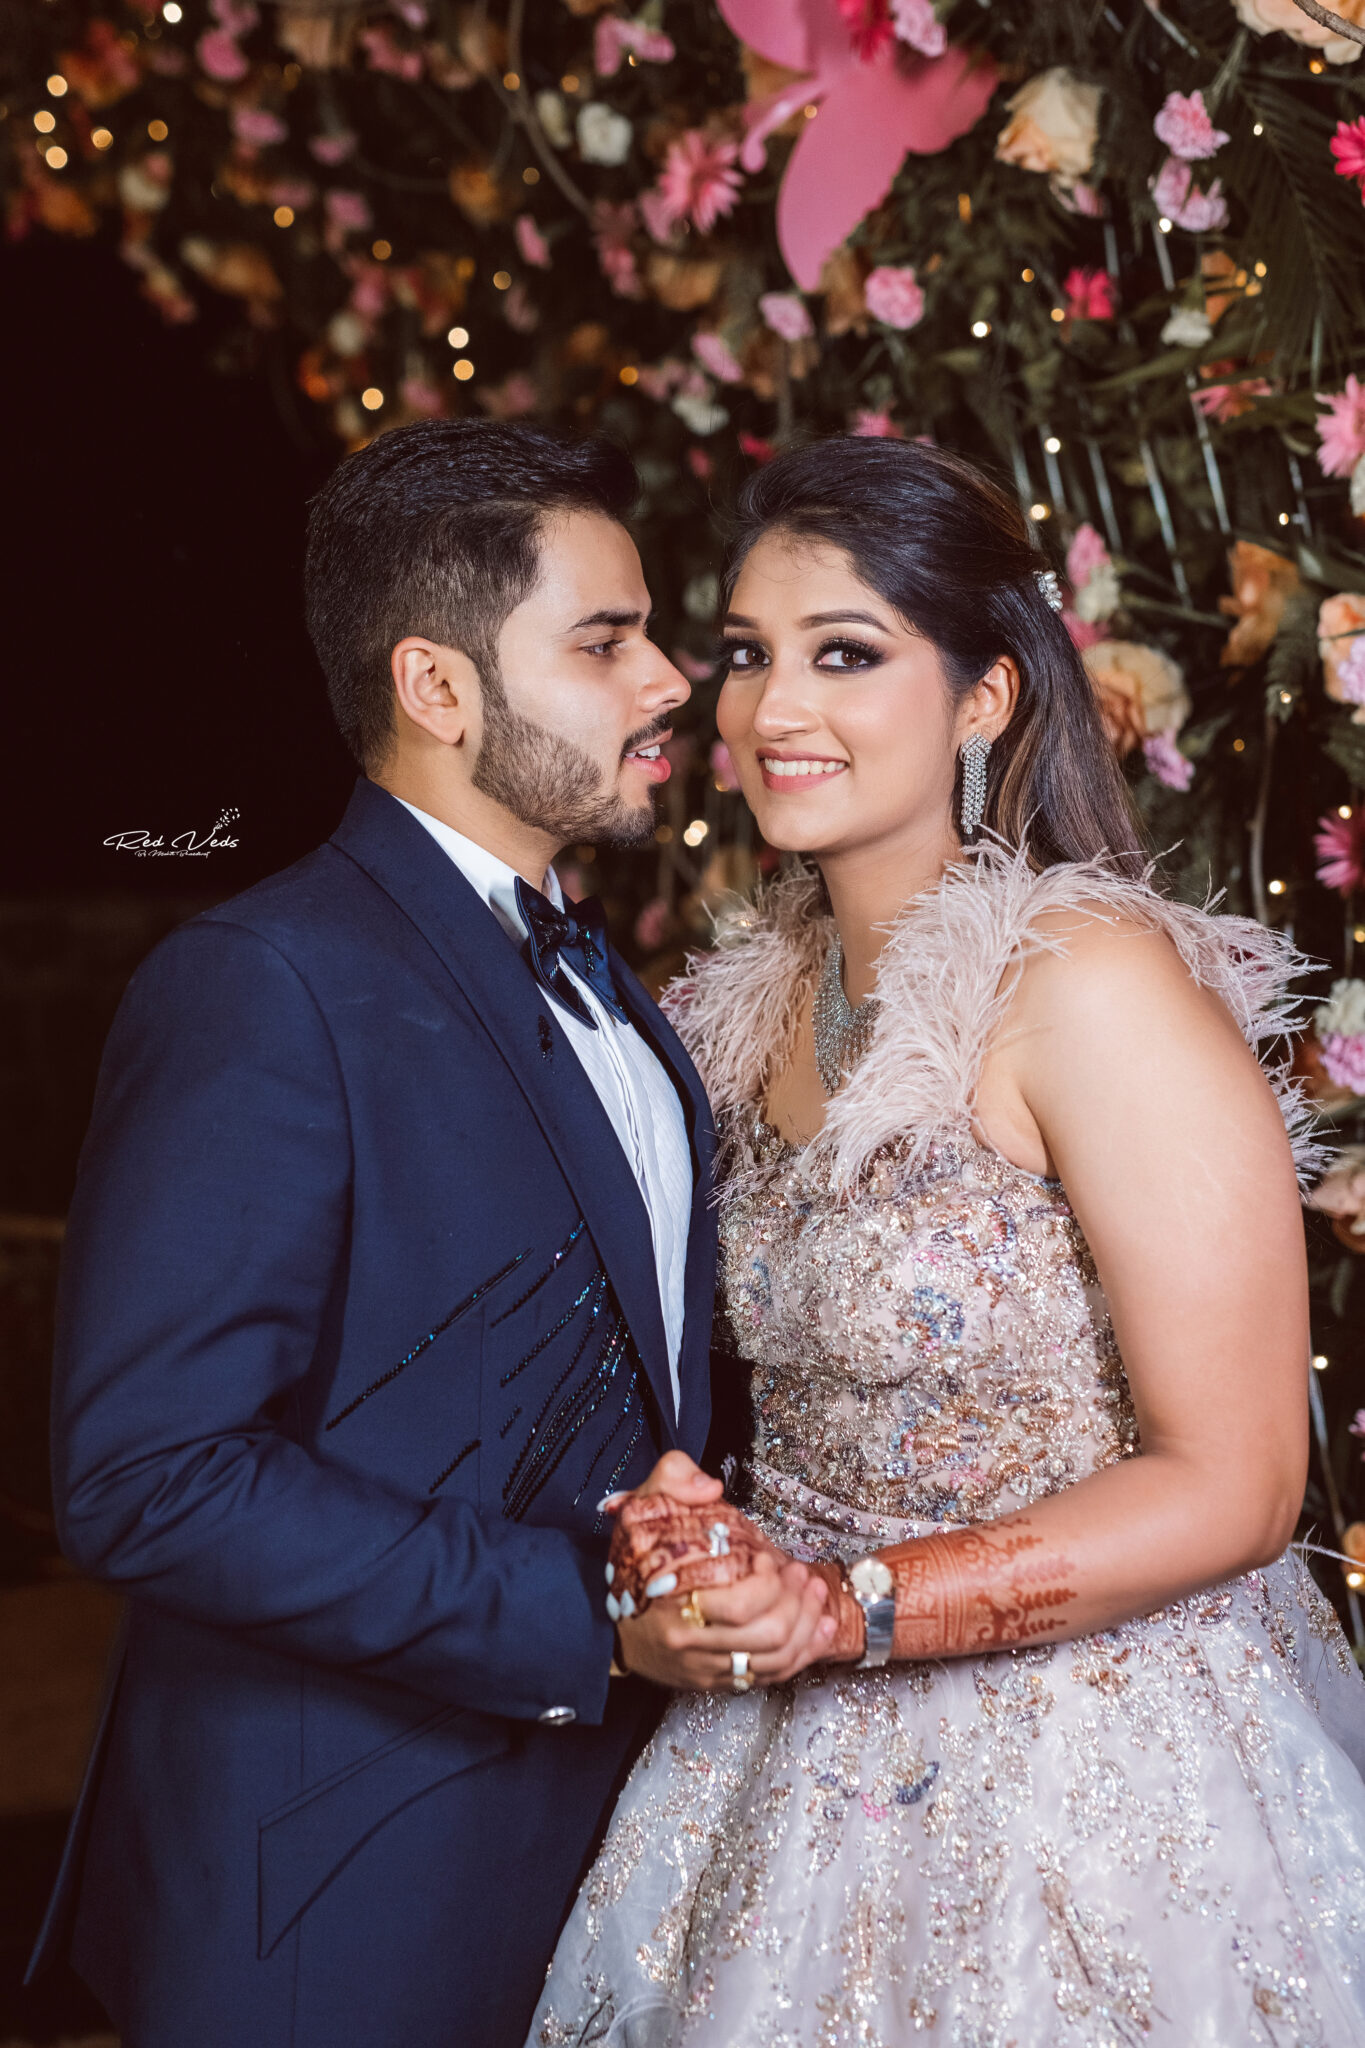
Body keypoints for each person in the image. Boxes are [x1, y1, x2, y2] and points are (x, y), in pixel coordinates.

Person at [530, 436, 1365, 2047]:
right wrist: (684, 1518)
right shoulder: (732, 1013)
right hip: (782, 1759)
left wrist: (852, 1606)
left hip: (1102, 1766)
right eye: (749, 656)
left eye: (845, 655)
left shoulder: (1088, 986)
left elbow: (1245, 1480)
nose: (774, 710)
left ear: (984, 698)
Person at [28, 420, 833, 2048]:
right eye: (605, 642)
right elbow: (145, 1474)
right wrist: (587, 1612)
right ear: (439, 688)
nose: (672, 680)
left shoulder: (619, 997)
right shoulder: (265, 983)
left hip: (597, 1856)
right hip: (338, 1888)